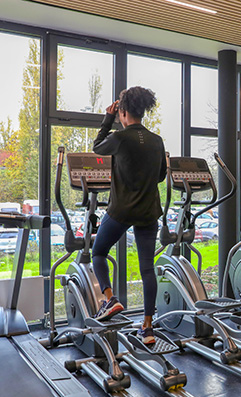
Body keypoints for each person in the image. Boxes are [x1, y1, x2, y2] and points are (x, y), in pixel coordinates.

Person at [91, 86, 167, 345]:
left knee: (99, 253)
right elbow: (160, 176)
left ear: (123, 113)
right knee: (147, 268)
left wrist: (107, 118)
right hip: (148, 211)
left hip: (121, 210)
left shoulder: (120, 138)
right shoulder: (157, 140)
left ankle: (110, 299)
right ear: (142, 112)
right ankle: (147, 328)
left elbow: (97, 147)